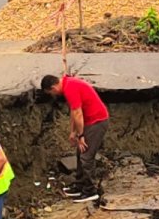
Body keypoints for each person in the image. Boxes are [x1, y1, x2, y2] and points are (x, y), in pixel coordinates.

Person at [41, 73, 110, 203]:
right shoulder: (68, 84)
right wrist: (73, 132)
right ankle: (80, 185)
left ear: (53, 87)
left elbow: (78, 113)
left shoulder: (70, 88)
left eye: (52, 93)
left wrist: (81, 135)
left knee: (86, 156)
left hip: (97, 121)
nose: (54, 95)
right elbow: (74, 111)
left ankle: (90, 191)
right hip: (90, 121)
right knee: (80, 153)